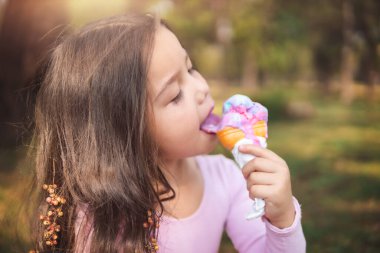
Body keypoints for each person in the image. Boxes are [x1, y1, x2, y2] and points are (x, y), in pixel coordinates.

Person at [29, 13, 306, 253]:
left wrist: (282, 219)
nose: (201, 89)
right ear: (124, 131)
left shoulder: (227, 179)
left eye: (190, 68)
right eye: (174, 95)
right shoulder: (97, 218)